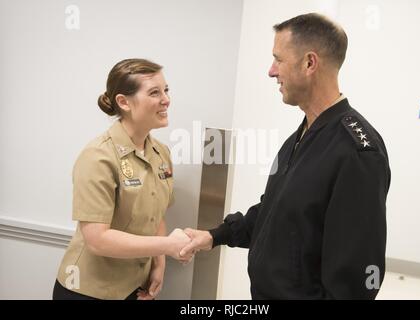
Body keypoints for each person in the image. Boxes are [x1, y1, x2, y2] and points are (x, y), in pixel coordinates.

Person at [180, 13, 391, 299]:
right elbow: (275, 211)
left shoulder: (357, 152)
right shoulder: (302, 135)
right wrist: (216, 235)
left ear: (309, 63)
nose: (271, 71)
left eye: (278, 59)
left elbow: (357, 272)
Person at [53, 58, 192, 300]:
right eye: (154, 92)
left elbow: (156, 215)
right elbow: (97, 240)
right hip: (88, 291)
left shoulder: (160, 153)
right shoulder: (98, 157)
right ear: (123, 102)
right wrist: (167, 246)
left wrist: (158, 264)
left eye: (166, 90)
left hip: (133, 288)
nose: (166, 100)